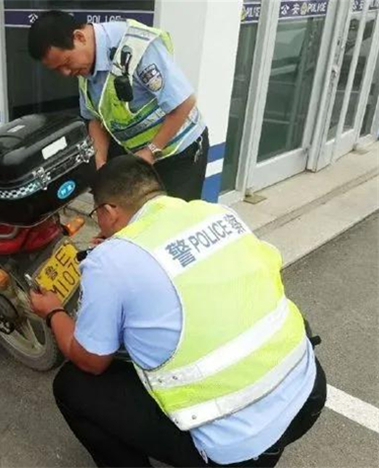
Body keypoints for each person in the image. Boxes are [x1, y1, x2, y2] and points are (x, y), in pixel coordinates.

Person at [29, 155, 327, 467]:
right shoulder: (217, 213)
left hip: (237, 451)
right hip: (308, 397)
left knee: (72, 386)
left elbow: (91, 360)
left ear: (109, 211)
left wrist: (53, 312)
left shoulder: (111, 261)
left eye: (97, 214)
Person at [28, 11, 209, 201]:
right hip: (140, 157)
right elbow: (95, 119)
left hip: (180, 152)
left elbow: (183, 103)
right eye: (57, 69)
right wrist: (100, 164)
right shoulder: (84, 67)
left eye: (66, 63)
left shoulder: (135, 47)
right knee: (140, 218)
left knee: (174, 224)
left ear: (79, 37)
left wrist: (151, 151)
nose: (65, 73)